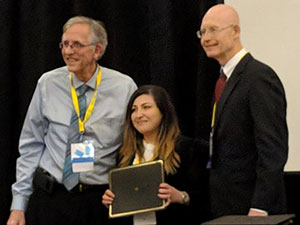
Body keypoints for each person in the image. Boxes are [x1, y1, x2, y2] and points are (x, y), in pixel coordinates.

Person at [7, 16, 137, 225]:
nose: (68, 52)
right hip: (51, 199)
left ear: (98, 50)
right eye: (65, 44)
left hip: (98, 202)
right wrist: (18, 205)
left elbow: (134, 146)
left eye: (77, 45)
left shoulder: (123, 87)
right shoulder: (48, 83)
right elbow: (31, 146)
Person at [198, 4, 288, 218]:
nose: (206, 38)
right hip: (226, 206)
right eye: (202, 32)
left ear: (235, 31)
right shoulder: (223, 80)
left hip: (253, 211)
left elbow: (272, 150)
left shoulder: (259, 77)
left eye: (213, 30)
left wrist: (260, 206)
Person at [102, 85, 209, 225]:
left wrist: (181, 196)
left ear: (163, 111)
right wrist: (111, 201)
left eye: (146, 107)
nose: (139, 114)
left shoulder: (189, 149)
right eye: (134, 110)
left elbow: (206, 197)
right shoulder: (125, 154)